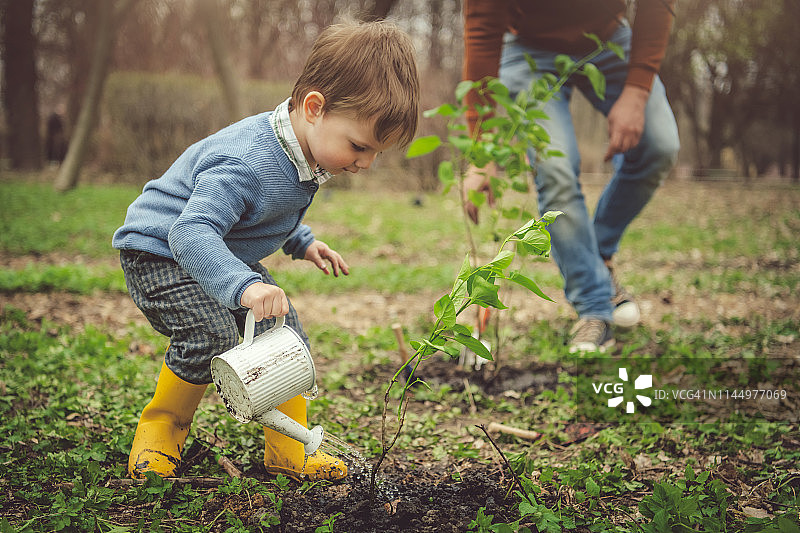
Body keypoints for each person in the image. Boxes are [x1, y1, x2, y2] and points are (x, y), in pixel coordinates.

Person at [112, 21, 419, 481]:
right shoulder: (247, 162)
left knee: (284, 336)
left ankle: (289, 450)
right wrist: (243, 284)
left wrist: (304, 241)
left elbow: (266, 210)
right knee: (210, 334)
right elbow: (191, 231)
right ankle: (161, 433)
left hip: (215, 250)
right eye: (359, 146)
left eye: (377, 153)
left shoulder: (304, 151)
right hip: (160, 252)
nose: (366, 163)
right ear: (314, 108)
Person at [462, 0, 680, 353]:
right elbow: (482, 28)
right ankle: (594, 306)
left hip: (610, 38)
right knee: (555, 167)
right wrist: (481, 149)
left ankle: (599, 258)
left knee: (659, 145)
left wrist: (638, 91)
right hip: (528, 47)